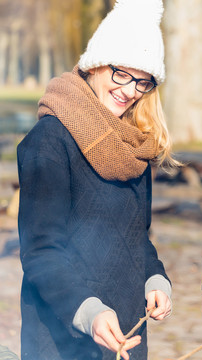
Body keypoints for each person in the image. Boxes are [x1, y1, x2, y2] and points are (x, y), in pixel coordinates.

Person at [17, 0, 177, 359]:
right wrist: (88, 311)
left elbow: (138, 238)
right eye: (121, 73)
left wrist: (155, 278)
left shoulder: (134, 147)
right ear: (95, 64)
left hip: (126, 337)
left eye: (143, 81)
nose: (130, 90)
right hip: (61, 337)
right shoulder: (50, 141)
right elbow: (41, 251)